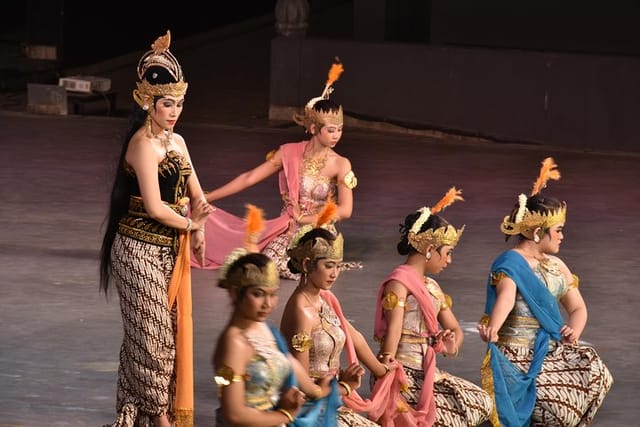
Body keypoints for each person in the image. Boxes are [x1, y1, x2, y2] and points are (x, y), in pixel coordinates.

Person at [99, 31, 213, 427]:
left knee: (150, 336)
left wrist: (198, 228)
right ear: (148, 101)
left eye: (180, 104)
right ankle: (161, 418)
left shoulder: (178, 142)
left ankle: (132, 416)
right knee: (155, 340)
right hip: (136, 251)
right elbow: (154, 207)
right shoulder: (141, 146)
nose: (175, 111)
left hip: (168, 252)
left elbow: (198, 196)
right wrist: (190, 223)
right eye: (167, 104)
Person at [476, 157, 613, 427]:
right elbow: (505, 296)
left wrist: (574, 331)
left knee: (597, 373)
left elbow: (577, 308)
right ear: (539, 232)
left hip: (549, 350)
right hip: (518, 354)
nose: (563, 236)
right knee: (560, 410)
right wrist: (494, 327)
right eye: (558, 230)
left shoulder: (558, 267)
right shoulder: (510, 263)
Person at [193, 58, 358, 279]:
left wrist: (306, 220)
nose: (337, 135)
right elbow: (249, 177)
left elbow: (345, 210)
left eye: (339, 129)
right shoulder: (289, 153)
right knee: (270, 265)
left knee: (308, 266)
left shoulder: (341, 163)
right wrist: (208, 196)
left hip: (319, 230)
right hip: (288, 225)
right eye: (331, 130)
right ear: (312, 128)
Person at [372, 188, 492, 426]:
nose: (449, 260)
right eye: (447, 253)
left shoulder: (433, 287)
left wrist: (449, 343)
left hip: (428, 372)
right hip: (404, 371)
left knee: (481, 402)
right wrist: (385, 371)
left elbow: (455, 330)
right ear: (429, 249)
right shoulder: (399, 283)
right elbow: (394, 331)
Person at [213, 204, 336, 426]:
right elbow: (234, 414)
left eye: (273, 294)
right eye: (258, 294)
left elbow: (292, 366)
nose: (268, 304)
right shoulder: (233, 343)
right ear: (235, 293)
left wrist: (321, 390)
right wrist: (286, 415)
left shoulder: (266, 332)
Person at [280, 201, 393, 426]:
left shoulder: (324, 299)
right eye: (329, 266)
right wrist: (345, 386)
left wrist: (385, 370)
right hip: (312, 407)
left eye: (338, 266)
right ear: (307, 263)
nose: (335, 274)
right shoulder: (301, 310)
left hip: (332, 397)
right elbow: (303, 384)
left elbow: (354, 336)